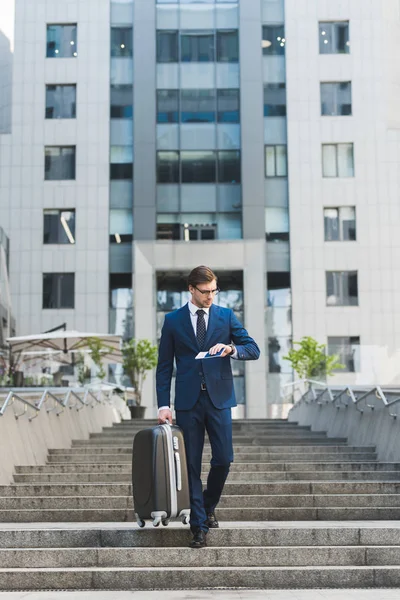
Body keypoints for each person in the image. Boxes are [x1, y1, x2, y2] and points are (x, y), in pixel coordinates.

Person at [156, 265, 260, 549]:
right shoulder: (173, 320)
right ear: (191, 289)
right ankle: (198, 526)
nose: (211, 296)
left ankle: (208, 504)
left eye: (214, 290)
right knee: (190, 465)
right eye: (205, 291)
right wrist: (163, 405)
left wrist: (231, 349)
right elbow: (164, 366)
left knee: (224, 458)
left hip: (219, 400)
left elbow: (253, 349)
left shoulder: (226, 316)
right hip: (188, 403)